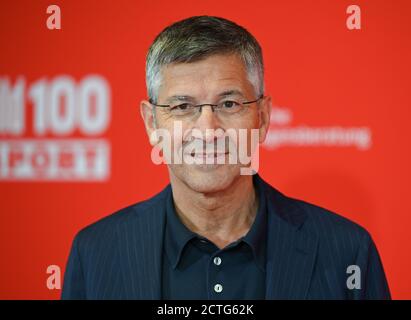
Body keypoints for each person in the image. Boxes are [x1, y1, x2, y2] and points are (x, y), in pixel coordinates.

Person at [62, 15, 390, 299]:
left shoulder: (348, 251)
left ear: (262, 117)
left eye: (229, 104)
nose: (208, 130)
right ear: (152, 123)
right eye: (182, 107)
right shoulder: (96, 252)